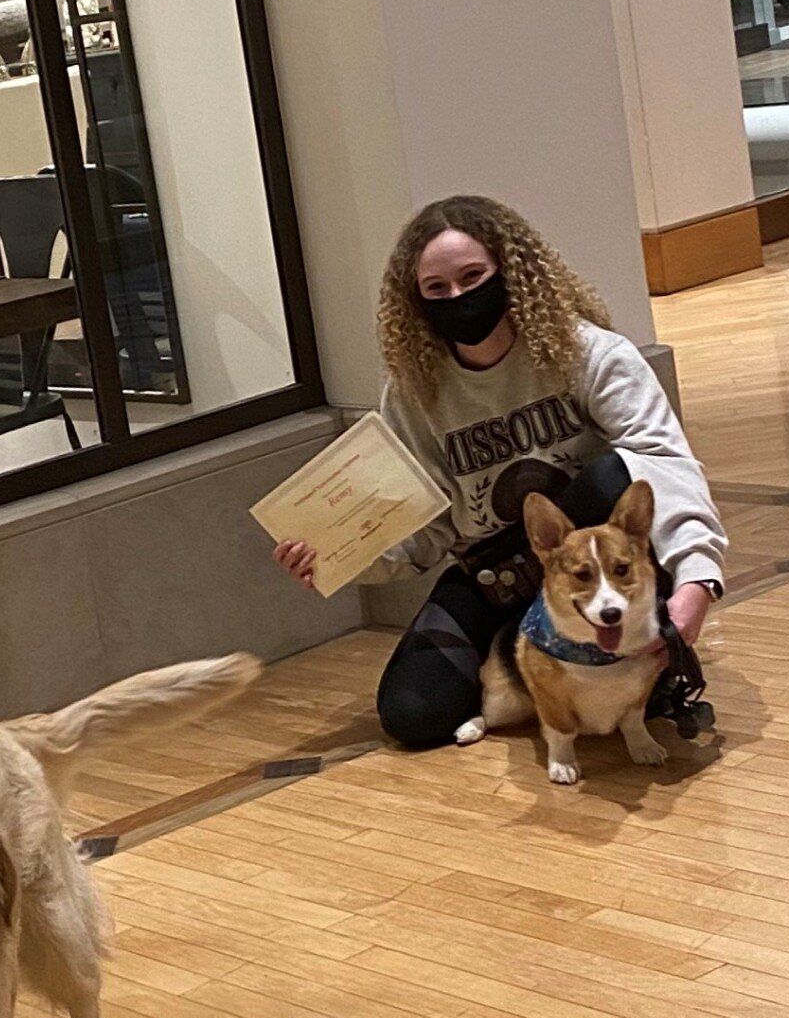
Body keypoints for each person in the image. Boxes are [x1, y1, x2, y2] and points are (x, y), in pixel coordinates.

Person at [273, 193, 725, 752]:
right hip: (492, 574)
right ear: (416, 302)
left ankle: (599, 656)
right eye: (437, 289)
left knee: (616, 477)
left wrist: (697, 580)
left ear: (511, 273)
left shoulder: (589, 354)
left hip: (588, 563)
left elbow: (665, 463)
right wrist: (338, 556)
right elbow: (422, 526)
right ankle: (533, 660)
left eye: (473, 277)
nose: (459, 297)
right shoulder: (414, 392)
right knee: (412, 715)